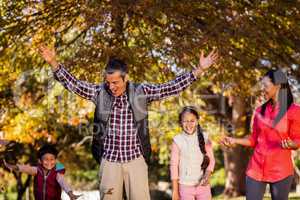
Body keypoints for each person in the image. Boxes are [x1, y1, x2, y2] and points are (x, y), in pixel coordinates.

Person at [38, 45, 218, 200]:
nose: (111, 86)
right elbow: (74, 84)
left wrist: (199, 71)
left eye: (116, 82)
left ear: (126, 78)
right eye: (108, 82)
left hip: (135, 159)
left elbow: (170, 87)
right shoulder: (99, 92)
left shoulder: (141, 91)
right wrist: (54, 62)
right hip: (109, 161)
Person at [220, 69, 300, 200]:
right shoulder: (259, 111)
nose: (262, 88)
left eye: (266, 85)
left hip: (281, 169)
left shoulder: (294, 110)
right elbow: (253, 139)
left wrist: (292, 144)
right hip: (256, 167)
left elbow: (297, 139)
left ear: (278, 85)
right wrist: (235, 140)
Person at [4, 144, 81, 200]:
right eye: (46, 159)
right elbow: (26, 169)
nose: (49, 162)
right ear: (40, 161)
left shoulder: (57, 171)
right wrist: (14, 167)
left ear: (55, 160)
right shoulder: (37, 170)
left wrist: (70, 194)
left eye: (52, 159)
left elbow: (63, 183)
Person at [170, 106, 215, 200]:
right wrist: (175, 190)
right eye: (185, 121)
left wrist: (207, 175)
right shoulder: (177, 140)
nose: (189, 124)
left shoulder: (205, 138)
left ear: (197, 121)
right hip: (185, 187)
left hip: (203, 186)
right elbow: (174, 166)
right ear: (180, 123)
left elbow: (211, 160)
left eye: (192, 121)